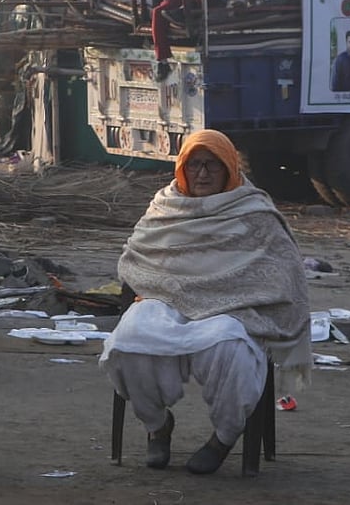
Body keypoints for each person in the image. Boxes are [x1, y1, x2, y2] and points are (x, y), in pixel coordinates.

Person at [99, 129, 311, 475]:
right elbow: (138, 261)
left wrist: (238, 297)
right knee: (130, 339)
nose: (202, 173)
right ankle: (157, 426)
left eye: (213, 165)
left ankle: (223, 438)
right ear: (182, 167)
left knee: (231, 346)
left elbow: (282, 272)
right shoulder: (165, 206)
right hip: (166, 299)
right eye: (194, 164)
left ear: (229, 168)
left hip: (231, 306)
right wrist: (166, 289)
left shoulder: (254, 211)